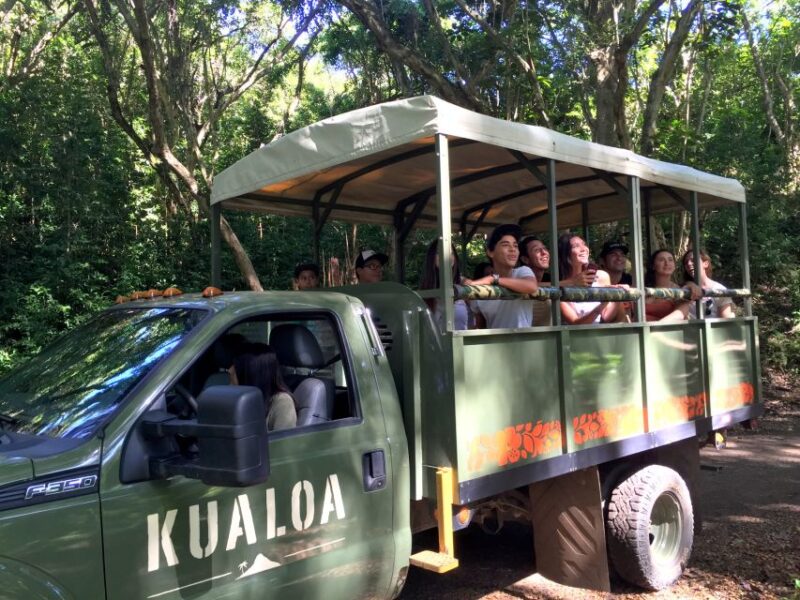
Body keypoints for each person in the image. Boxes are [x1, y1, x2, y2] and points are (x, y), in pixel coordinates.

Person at [470, 224, 539, 329]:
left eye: (515, 246)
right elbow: (480, 329)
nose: (512, 249)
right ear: (490, 252)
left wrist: (494, 279)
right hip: (495, 344)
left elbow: (531, 286)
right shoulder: (480, 290)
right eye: (505, 245)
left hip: (524, 343)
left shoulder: (522, 272)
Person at [557, 232, 624, 324]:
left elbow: (606, 317)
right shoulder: (561, 286)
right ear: (566, 256)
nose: (583, 249)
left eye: (584, 244)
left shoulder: (601, 276)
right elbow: (576, 323)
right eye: (576, 246)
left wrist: (619, 293)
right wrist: (604, 303)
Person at [232, 343, 297, 431]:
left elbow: (284, 443)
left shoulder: (282, 402)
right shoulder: (242, 400)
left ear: (250, 373)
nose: (230, 370)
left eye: (236, 367)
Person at [419, 240, 469, 330]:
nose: (446, 256)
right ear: (432, 257)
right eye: (439, 252)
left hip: (460, 342)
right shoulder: (425, 289)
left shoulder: (462, 283)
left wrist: (493, 278)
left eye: (451, 253)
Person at [644, 249, 701, 322]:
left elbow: (681, 313)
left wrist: (653, 329)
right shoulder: (644, 287)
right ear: (653, 266)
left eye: (670, 260)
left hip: (661, 331)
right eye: (661, 260)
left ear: (674, 266)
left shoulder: (680, 290)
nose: (667, 263)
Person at [682, 250, 735, 319]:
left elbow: (725, 320)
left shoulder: (720, 289)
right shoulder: (684, 288)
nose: (689, 264)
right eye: (686, 263)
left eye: (693, 260)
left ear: (706, 264)